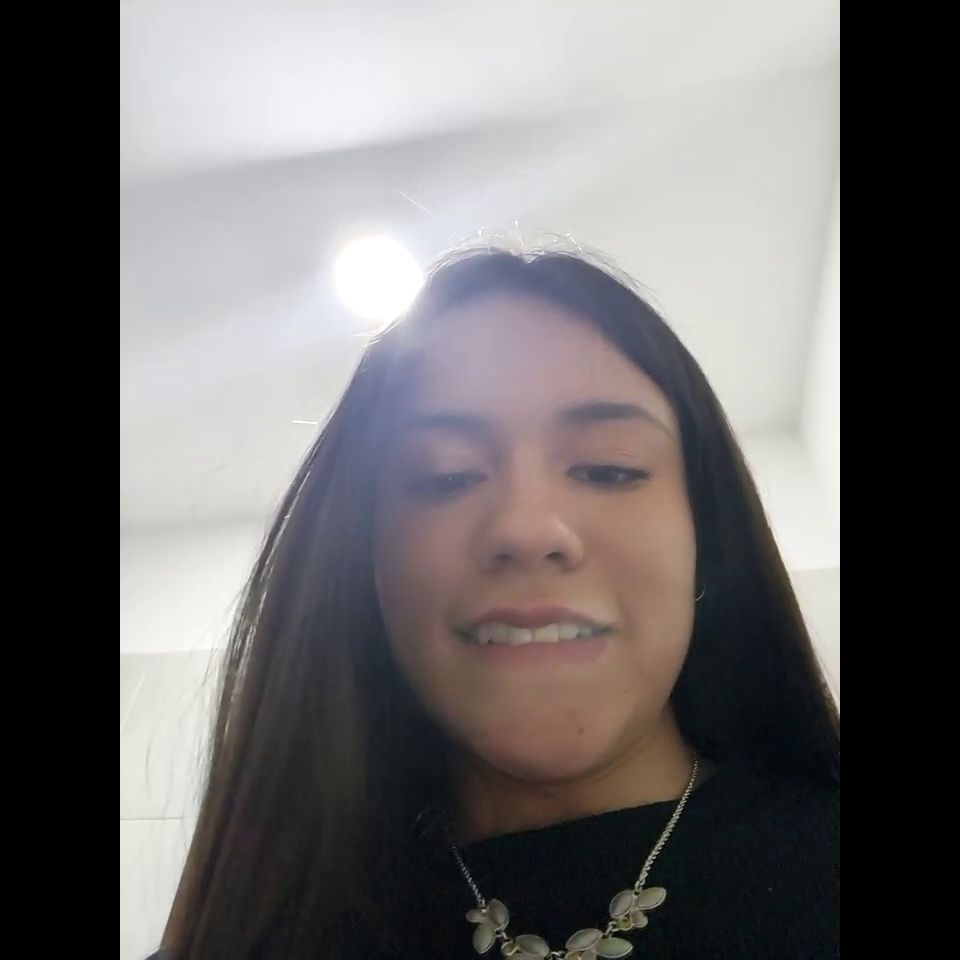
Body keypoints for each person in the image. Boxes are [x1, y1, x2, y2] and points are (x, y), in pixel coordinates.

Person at [154, 247, 839, 960]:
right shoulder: (268, 927)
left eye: (608, 468)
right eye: (446, 476)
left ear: (707, 535)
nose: (527, 528)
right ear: (366, 567)